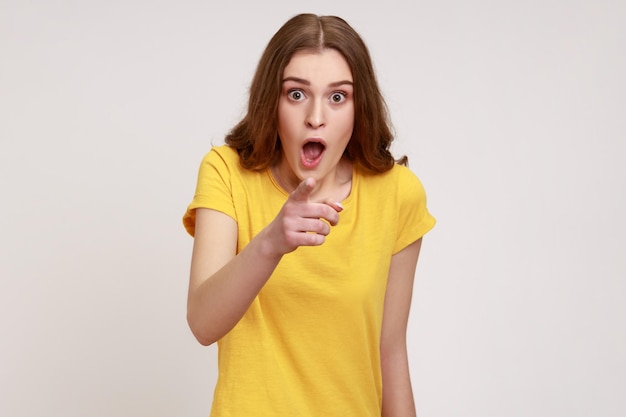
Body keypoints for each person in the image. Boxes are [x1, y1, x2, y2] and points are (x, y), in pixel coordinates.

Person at [182, 13, 436, 417]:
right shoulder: (226, 172)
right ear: (272, 101)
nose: (316, 117)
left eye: (338, 97)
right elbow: (202, 322)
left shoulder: (398, 194)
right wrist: (270, 243)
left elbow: (390, 352)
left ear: (358, 108)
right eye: (296, 94)